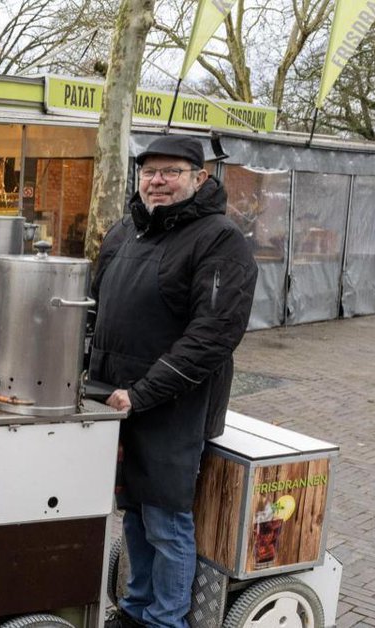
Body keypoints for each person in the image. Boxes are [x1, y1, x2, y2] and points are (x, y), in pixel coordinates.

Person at [90, 135, 257, 628]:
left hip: (173, 405)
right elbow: (97, 307)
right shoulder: (125, 231)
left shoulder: (219, 238)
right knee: (134, 514)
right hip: (113, 400)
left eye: (170, 172)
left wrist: (143, 393)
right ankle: (137, 607)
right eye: (149, 172)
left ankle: (167, 619)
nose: (157, 181)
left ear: (199, 177)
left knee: (166, 519)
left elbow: (213, 335)